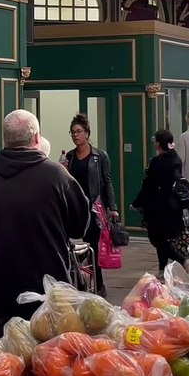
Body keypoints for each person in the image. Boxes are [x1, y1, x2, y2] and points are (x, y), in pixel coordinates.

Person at [0, 110, 89, 343]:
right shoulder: (56, 174)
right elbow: (79, 226)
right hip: (46, 287)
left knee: (3, 354)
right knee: (48, 355)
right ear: (37, 138)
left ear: (6, 139)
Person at [63, 113, 118, 297]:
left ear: (87, 133)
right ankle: (80, 282)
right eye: (73, 132)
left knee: (92, 246)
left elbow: (107, 182)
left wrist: (113, 208)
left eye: (79, 131)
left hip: (94, 208)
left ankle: (98, 284)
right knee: (74, 248)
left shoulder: (99, 156)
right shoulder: (70, 157)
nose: (75, 135)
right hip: (75, 207)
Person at [133, 130, 188, 272]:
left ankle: (183, 261)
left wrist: (137, 202)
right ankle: (162, 269)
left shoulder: (157, 162)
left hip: (158, 207)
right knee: (163, 239)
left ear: (158, 143)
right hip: (174, 205)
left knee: (157, 239)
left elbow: (148, 185)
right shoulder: (176, 159)